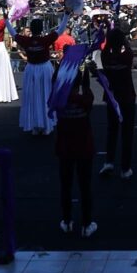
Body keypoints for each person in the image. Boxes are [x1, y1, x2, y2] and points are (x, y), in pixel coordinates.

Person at [54, 65, 97, 237]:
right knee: (85, 186)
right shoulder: (85, 99)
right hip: (84, 147)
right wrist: (86, 74)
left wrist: (62, 67)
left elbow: (54, 82)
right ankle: (86, 224)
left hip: (65, 148)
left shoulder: (58, 100)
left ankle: (67, 221)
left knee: (65, 185)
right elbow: (87, 89)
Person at [14, 17, 63, 135]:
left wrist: (6, 20)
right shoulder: (45, 39)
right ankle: (46, 125)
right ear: (41, 29)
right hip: (44, 68)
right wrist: (66, 15)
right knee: (46, 95)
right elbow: (60, 30)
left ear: (31, 29)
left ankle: (35, 126)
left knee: (32, 96)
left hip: (31, 69)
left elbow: (12, 33)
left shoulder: (26, 40)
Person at [99, 28, 136, 179]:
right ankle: (125, 168)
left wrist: (110, 40)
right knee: (127, 133)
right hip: (127, 97)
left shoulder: (105, 56)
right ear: (122, 41)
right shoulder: (127, 56)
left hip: (112, 97)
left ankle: (109, 162)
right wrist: (123, 40)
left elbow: (106, 50)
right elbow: (129, 50)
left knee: (112, 130)